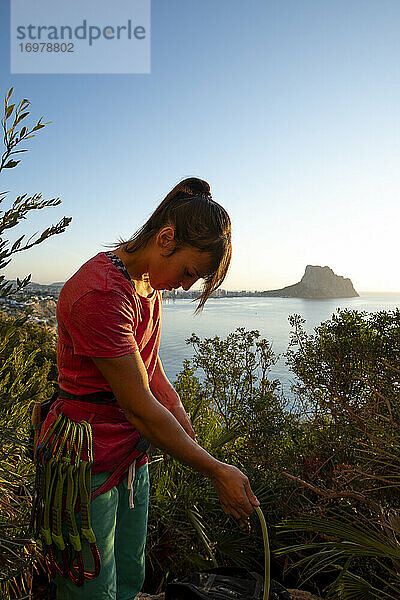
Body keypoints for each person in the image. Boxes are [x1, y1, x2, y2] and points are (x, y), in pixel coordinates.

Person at [36, 177, 259, 600]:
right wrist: (213, 469)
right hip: (86, 458)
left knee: (128, 576)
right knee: (90, 589)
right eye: (190, 272)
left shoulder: (147, 288)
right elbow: (139, 406)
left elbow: (150, 369)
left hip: (129, 457)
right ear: (166, 238)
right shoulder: (101, 293)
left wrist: (178, 412)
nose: (187, 285)